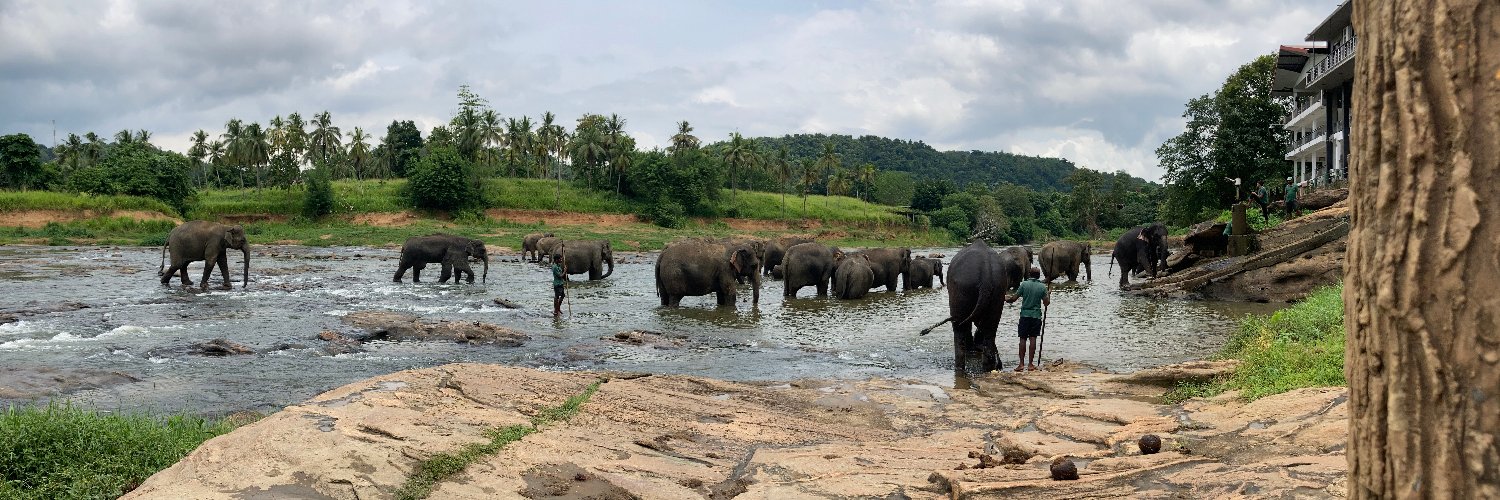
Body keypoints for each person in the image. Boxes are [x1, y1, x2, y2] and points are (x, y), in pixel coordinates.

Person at [1005, 266, 1050, 372]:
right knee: (1033, 338)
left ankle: (1021, 364)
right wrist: (1048, 294)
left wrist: (1005, 298)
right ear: (1039, 276)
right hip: (1036, 316)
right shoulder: (1042, 287)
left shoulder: (1024, 284)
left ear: (1030, 275)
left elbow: (1013, 299)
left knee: (1022, 339)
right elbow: (1046, 303)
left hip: (1025, 315)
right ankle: (1030, 364)